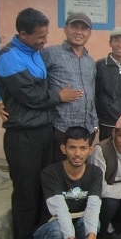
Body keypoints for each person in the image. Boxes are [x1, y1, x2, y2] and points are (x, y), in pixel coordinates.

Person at [0, 7, 82, 239]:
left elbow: (36, 92)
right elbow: (31, 97)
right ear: (23, 33)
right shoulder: (8, 58)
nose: (44, 42)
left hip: (45, 131)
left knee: (47, 192)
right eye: (39, 37)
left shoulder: (33, 55)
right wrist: (59, 97)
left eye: (46, 36)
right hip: (23, 136)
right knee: (25, 192)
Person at [35, 126, 102, 239]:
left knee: (93, 224)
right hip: (52, 225)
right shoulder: (50, 173)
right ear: (63, 148)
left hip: (76, 223)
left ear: (90, 150)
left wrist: (91, 237)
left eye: (83, 148)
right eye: (72, 148)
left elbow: (93, 206)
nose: (77, 154)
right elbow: (60, 209)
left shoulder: (95, 172)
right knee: (58, 229)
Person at [42, 12, 97, 162]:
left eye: (84, 28)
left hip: (86, 131)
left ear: (89, 33)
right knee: (60, 175)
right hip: (60, 129)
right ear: (66, 29)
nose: (79, 32)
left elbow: (91, 95)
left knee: (80, 177)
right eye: (74, 27)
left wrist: (95, 123)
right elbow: (30, 83)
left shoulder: (90, 62)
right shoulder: (50, 54)